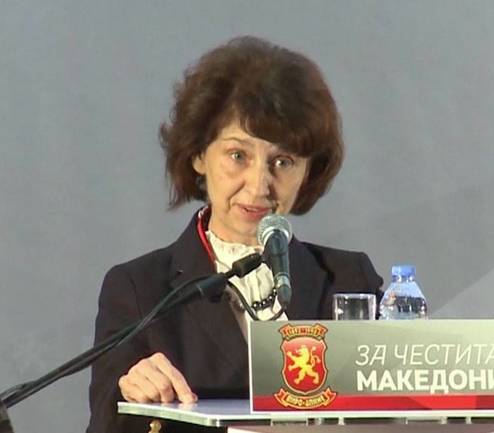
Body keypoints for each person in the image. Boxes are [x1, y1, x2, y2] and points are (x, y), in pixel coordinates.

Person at [86, 36, 383, 433]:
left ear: (308, 172)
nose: (259, 185)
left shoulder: (350, 280)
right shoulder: (140, 289)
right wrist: (132, 393)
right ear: (198, 155)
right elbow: (105, 425)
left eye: (283, 161)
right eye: (238, 155)